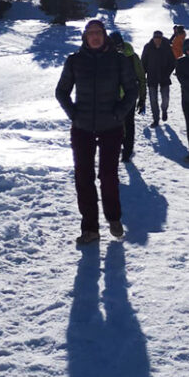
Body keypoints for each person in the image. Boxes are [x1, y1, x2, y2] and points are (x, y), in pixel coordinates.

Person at [56, 20, 139, 245]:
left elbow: (132, 90)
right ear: (85, 37)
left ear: (104, 36)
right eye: (90, 33)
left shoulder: (118, 60)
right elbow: (61, 91)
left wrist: (119, 113)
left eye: (98, 33)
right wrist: (74, 114)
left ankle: (113, 218)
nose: (94, 37)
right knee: (83, 178)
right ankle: (90, 228)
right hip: (82, 128)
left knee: (108, 176)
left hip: (111, 127)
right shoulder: (75, 61)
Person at [109, 31, 145, 162]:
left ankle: (127, 151)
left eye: (118, 45)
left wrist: (142, 98)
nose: (116, 48)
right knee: (115, 125)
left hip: (128, 97)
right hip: (111, 97)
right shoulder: (105, 56)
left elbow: (141, 77)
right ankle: (119, 148)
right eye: (114, 45)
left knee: (128, 124)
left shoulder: (132, 57)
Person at [140, 29, 176, 125]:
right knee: (153, 99)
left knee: (165, 98)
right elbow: (143, 62)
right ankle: (156, 119)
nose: (157, 40)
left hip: (164, 76)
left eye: (159, 38)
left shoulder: (166, 47)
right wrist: (143, 74)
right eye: (156, 37)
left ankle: (164, 110)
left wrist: (167, 72)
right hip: (152, 76)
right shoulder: (148, 47)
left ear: (162, 38)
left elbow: (172, 62)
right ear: (153, 38)